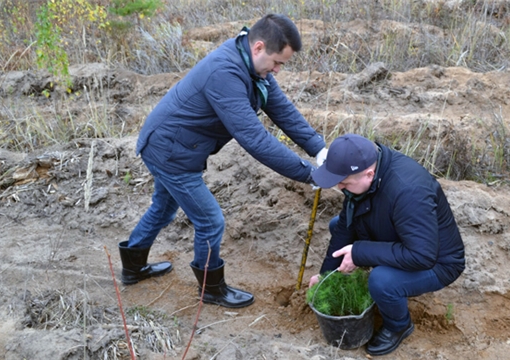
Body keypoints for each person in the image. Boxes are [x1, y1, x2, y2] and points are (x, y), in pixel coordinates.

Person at [118, 14, 328, 309]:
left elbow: (282, 110)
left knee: (164, 208)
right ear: (258, 47)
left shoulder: (253, 69)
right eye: (278, 62)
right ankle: (211, 288)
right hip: (170, 151)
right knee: (210, 220)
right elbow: (254, 139)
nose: (278, 70)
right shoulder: (225, 72)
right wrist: (310, 174)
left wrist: (319, 150)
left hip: (176, 145)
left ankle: (133, 267)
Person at [309, 134, 465, 356]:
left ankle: (398, 325)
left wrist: (360, 253)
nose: (339, 186)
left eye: (343, 182)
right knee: (338, 225)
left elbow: (422, 256)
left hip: (437, 261)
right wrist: (326, 275)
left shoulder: (409, 191)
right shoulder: (365, 175)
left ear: (369, 174)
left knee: (381, 280)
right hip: (401, 238)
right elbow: (346, 225)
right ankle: (385, 282)